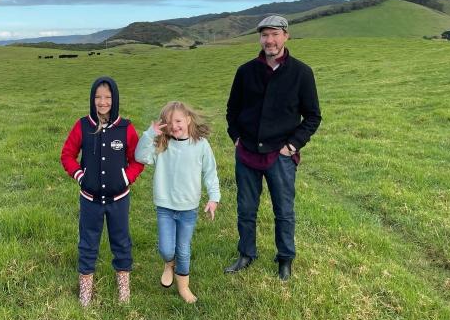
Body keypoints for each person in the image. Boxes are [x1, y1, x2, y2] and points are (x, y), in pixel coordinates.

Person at [224, 15, 321, 280]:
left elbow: (313, 116)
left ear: (286, 36)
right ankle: (246, 253)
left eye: (275, 34)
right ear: (260, 39)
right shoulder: (246, 71)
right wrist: (236, 137)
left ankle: (285, 258)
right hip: (247, 153)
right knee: (245, 208)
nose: (270, 40)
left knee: (284, 211)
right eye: (265, 35)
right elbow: (232, 109)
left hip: (281, 155)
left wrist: (292, 146)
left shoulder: (301, 73)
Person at [60, 76, 144, 306]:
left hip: (119, 199)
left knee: (121, 241)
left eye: (107, 97)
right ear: (92, 99)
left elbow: (138, 160)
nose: (102, 102)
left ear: (115, 99)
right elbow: (67, 155)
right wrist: (80, 175)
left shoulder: (125, 128)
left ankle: (123, 291)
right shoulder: (82, 126)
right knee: (88, 243)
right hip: (90, 200)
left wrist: (126, 177)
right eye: (98, 97)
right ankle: (85, 292)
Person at [134, 101, 220, 303]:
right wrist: (150, 134)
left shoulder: (200, 145)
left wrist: (214, 198)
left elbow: (210, 172)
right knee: (166, 249)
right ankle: (168, 264)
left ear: (189, 119)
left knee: (183, 249)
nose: (175, 126)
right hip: (165, 206)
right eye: (169, 122)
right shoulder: (162, 145)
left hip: (188, 209)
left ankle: (183, 287)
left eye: (179, 121)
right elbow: (139, 156)